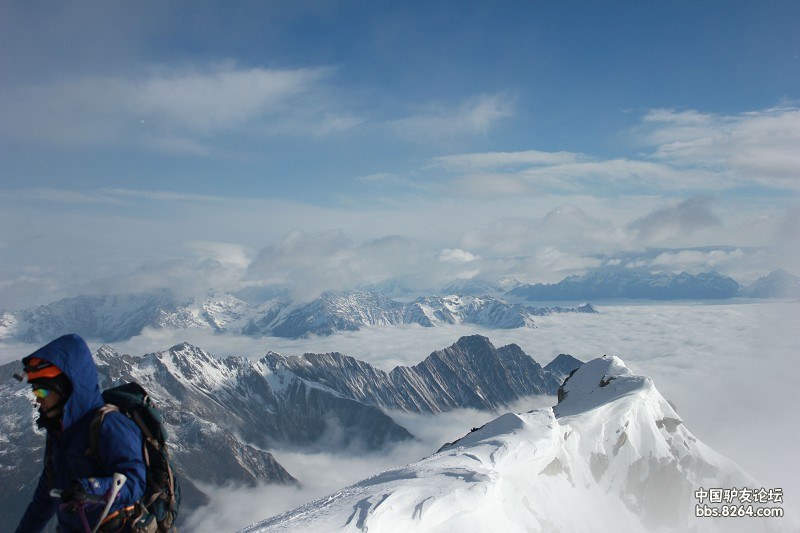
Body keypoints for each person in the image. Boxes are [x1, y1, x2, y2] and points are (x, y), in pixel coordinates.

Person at [15, 334, 147, 533]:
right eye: (34, 392)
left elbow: (135, 483)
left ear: (65, 387)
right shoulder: (58, 434)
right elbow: (43, 501)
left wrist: (91, 489)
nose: (37, 400)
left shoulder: (109, 425)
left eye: (42, 392)